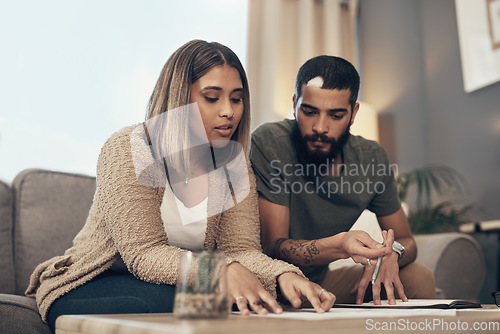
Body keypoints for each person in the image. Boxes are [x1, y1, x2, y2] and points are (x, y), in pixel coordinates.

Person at [26, 40, 334, 332]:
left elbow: (241, 251)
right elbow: (143, 255)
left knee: (244, 299)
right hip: (95, 281)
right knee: (185, 301)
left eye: (237, 98)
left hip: (178, 286)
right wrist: (221, 271)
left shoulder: (234, 166)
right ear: (178, 98)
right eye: (212, 98)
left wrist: (285, 274)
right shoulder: (128, 148)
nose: (229, 111)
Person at [250, 55, 436, 306]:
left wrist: (391, 254)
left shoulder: (372, 158)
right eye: (309, 111)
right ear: (295, 104)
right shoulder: (270, 143)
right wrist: (339, 245)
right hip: (270, 282)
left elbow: (407, 240)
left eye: (336, 115)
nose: (320, 127)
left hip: (319, 281)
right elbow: (274, 249)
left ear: (353, 112)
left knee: (418, 277)